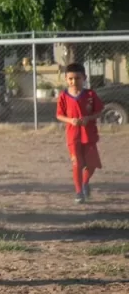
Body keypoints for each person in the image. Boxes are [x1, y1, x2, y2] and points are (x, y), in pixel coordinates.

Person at [56, 62, 102, 204]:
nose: (74, 81)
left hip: (89, 134)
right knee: (77, 163)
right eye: (70, 79)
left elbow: (99, 111)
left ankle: (85, 182)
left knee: (92, 164)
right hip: (73, 136)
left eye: (77, 78)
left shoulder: (90, 94)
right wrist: (70, 120)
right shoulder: (63, 96)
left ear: (84, 78)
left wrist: (88, 118)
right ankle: (79, 192)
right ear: (66, 79)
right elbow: (59, 115)